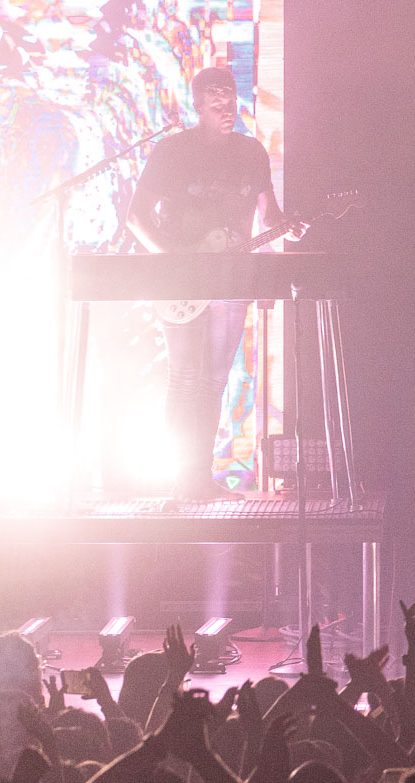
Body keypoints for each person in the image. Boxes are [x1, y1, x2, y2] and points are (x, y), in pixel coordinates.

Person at [125, 66, 301, 503]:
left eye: (231, 99)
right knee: (185, 377)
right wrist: (174, 264)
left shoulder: (251, 152)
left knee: (215, 380)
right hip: (181, 280)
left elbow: (269, 218)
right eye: (217, 101)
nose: (227, 109)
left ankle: (200, 478)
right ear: (198, 105)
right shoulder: (172, 151)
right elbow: (136, 217)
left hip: (231, 279)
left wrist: (292, 227)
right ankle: (181, 480)